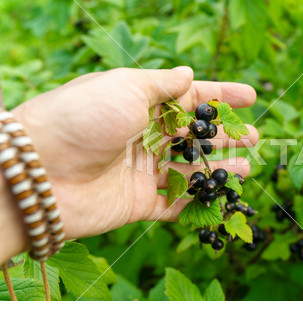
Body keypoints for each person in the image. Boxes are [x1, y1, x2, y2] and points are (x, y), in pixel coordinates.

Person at [0, 66, 259, 264]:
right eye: (200, 125)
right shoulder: (187, 130)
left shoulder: (203, 153)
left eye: (204, 126)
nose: (201, 126)